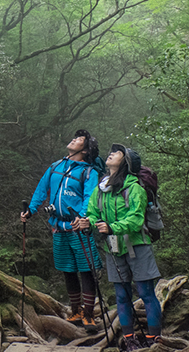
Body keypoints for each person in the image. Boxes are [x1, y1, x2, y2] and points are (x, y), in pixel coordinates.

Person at [74, 144, 163, 351]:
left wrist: (112, 227)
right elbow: (93, 212)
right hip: (113, 248)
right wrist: (87, 222)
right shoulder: (101, 188)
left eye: (117, 153)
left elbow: (136, 218)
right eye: (112, 152)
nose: (111, 153)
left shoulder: (135, 188)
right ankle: (129, 339)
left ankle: (154, 339)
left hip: (138, 245)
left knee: (146, 293)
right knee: (122, 296)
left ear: (125, 162)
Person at [21, 129, 103, 331]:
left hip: (78, 227)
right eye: (75, 137)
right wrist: (30, 211)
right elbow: (41, 190)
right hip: (58, 226)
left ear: (85, 150)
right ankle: (75, 311)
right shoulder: (55, 166)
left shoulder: (89, 172)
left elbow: (90, 198)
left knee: (86, 270)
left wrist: (82, 218)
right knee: (68, 270)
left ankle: (89, 315)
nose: (74, 140)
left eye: (79, 140)